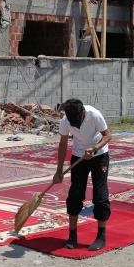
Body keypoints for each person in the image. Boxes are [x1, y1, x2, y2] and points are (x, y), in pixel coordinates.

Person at [53, 99, 112, 251]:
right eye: (74, 125)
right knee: (75, 195)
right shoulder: (66, 120)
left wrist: (95, 148)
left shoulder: (94, 114)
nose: (77, 126)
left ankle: (101, 236)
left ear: (83, 114)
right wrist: (59, 170)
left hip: (99, 156)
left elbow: (107, 135)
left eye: (78, 122)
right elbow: (63, 143)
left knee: (100, 195)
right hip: (79, 157)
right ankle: (72, 235)